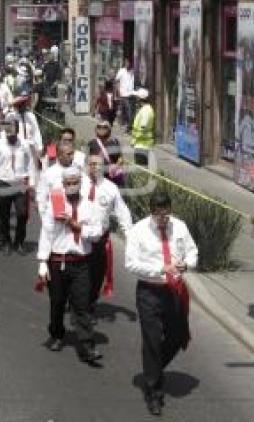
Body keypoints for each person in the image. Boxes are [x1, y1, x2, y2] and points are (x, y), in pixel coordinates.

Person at [126, 191, 198, 416]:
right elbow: (130, 264)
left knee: (178, 336)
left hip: (174, 290)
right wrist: (159, 269)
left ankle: (153, 370)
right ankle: (154, 392)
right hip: (149, 291)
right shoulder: (138, 231)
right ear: (151, 213)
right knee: (153, 341)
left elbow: (192, 251)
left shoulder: (179, 226)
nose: (164, 220)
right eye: (159, 216)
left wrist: (187, 264)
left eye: (167, 215)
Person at [36, 166, 104, 364]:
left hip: (81, 263)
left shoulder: (89, 206)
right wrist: (42, 261)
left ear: (80, 184)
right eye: (69, 183)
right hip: (58, 262)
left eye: (76, 182)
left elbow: (97, 233)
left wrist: (77, 227)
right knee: (57, 302)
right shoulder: (55, 204)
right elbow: (46, 233)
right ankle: (57, 334)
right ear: (63, 185)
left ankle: (88, 347)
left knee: (82, 306)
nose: (72, 186)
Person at [82, 153, 132, 318]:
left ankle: (90, 301)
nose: (95, 167)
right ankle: (78, 302)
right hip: (78, 239)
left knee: (97, 276)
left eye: (98, 164)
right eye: (92, 163)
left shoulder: (111, 188)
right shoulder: (77, 183)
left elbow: (122, 212)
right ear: (86, 165)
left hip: (99, 240)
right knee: (79, 274)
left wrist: (129, 236)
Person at [0, 115, 34, 255]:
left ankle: (18, 241)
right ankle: (6, 241)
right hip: (3, 183)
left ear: (18, 131)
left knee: (22, 214)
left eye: (13, 131)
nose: (11, 134)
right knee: (3, 215)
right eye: (8, 131)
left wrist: (31, 182)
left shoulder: (24, 144)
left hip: (19, 184)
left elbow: (30, 163)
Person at [87, 119, 124, 186]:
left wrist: (116, 166)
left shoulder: (114, 142)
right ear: (96, 129)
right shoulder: (92, 143)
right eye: (99, 127)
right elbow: (87, 160)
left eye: (104, 127)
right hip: (97, 176)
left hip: (111, 176)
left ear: (109, 129)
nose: (101, 129)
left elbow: (120, 158)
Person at [131, 88, 155, 167]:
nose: (136, 99)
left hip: (142, 145)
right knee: (141, 168)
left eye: (137, 97)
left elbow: (142, 127)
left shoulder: (146, 111)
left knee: (141, 168)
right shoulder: (146, 109)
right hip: (142, 144)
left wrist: (134, 140)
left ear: (139, 98)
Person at [115, 58, 135, 131]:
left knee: (129, 110)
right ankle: (128, 126)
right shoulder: (121, 71)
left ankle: (127, 125)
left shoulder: (133, 71)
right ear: (125, 63)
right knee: (127, 110)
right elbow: (117, 81)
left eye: (129, 62)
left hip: (131, 94)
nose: (128, 64)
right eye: (126, 62)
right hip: (123, 94)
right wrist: (118, 91)